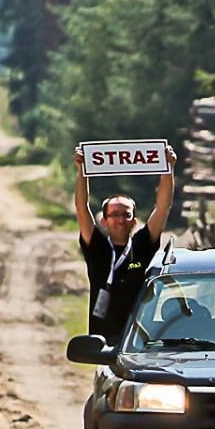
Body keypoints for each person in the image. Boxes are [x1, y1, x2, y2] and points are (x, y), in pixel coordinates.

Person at [73, 143, 177, 343]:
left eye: (126, 215)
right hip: (101, 340)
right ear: (104, 220)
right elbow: (81, 207)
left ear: (134, 220)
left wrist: (168, 169)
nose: (120, 220)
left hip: (137, 340)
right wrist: (82, 171)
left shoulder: (142, 245)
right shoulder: (98, 247)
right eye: (114, 215)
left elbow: (163, 208)